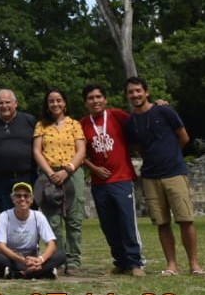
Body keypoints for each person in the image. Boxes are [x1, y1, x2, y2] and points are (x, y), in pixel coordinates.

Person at [124, 76, 205, 277]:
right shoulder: (131, 122)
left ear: (146, 92)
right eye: (131, 92)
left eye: (138, 90)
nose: (135, 95)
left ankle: (194, 264)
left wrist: (171, 155)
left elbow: (184, 136)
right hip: (151, 176)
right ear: (127, 96)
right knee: (162, 223)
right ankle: (172, 265)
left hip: (174, 172)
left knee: (185, 219)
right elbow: (136, 147)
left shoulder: (164, 111)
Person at [80, 83, 144, 277]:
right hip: (99, 183)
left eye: (98, 97)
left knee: (126, 222)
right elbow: (77, 152)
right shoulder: (82, 124)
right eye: (91, 98)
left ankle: (135, 263)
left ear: (105, 99)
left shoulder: (117, 115)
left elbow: (139, 122)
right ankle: (120, 261)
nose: (95, 101)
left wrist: (158, 106)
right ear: (86, 102)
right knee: (108, 224)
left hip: (122, 178)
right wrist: (94, 168)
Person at [32, 87, 86, 274]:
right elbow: (37, 151)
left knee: (74, 218)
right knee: (52, 219)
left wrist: (67, 170)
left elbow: (81, 151)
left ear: (65, 103)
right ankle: (58, 258)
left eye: (58, 100)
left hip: (72, 172)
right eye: (51, 101)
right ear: (47, 105)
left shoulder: (74, 124)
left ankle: (73, 261)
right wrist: (50, 173)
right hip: (49, 174)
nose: (55, 104)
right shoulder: (41, 125)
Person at [0, 89, 39, 214]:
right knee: (5, 214)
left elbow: (39, 145)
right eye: (0, 103)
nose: (4, 106)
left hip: (28, 176)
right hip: (1, 179)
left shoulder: (30, 121)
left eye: (8, 102)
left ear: (15, 103)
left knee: (30, 214)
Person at [0, 182, 65, 279]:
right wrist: (22, 260)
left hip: (32, 257)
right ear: (13, 199)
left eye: (26, 196)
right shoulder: (4, 216)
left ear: (31, 200)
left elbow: (52, 244)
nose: (22, 199)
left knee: (61, 255)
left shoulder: (38, 216)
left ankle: (18, 273)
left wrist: (40, 260)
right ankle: (40, 272)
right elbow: (1, 246)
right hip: (12, 256)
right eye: (18, 196)